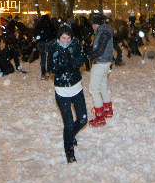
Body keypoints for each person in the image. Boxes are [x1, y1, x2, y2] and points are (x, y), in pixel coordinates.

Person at [47, 24, 87, 163]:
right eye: (63, 38)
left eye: (68, 38)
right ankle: (69, 152)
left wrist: (72, 61)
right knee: (68, 124)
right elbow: (51, 68)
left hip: (76, 88)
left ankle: (70, 135)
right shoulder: (53, 47)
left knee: (83, 119)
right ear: (59, 37)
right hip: (61, 91)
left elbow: (81, 61)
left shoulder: (75, 45)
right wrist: (62, 64)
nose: (66, 40)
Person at [87, 13, 114, 126]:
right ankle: (107, 110)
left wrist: (90, 55)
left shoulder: (102, 32)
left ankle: (100, 116)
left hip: (100, 62)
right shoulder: (104, 30)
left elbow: (100, 49)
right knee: (102, 86)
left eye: (92, 23)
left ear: (95, 23)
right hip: (105, 62)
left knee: (93, 89)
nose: (92, 26)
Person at [34, 14, 57, 79]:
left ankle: (43, 72)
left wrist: (38, 39)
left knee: (43, 57)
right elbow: (54, 33)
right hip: (49, 42)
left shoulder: (39, 24)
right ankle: (48, 70)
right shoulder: (50, 24)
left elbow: (35, 32)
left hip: (41, 42)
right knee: (49, 56)